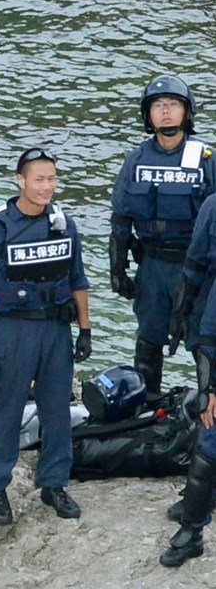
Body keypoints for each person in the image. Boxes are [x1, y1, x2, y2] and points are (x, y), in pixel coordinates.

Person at [0, 148, 92, 525]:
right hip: (13, 329)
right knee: (5, 410)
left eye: (52, 179)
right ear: (20, 180)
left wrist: (85, 329)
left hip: (56, 329)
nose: (47, 187)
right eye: (39, 179)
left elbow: (78, 280)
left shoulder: (63, 223)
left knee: (57, 409)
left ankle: (54, 483)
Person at [110, 74, 216, 402]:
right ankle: (145, 409)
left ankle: (209, 406)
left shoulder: (205, 159)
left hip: (195, 266)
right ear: (148, 114)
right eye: (158, 106)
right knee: (148, 340)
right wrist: (118, 268)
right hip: (152, 266)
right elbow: (121, 219)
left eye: (173, 105)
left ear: (187, 112)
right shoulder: (137, 160)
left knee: (204, 341)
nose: (166, 112)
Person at [160, 192, 216, 567]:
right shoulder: (212, 206)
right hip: (211, 328)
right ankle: (193, 529)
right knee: (210, 437)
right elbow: (195, 264)